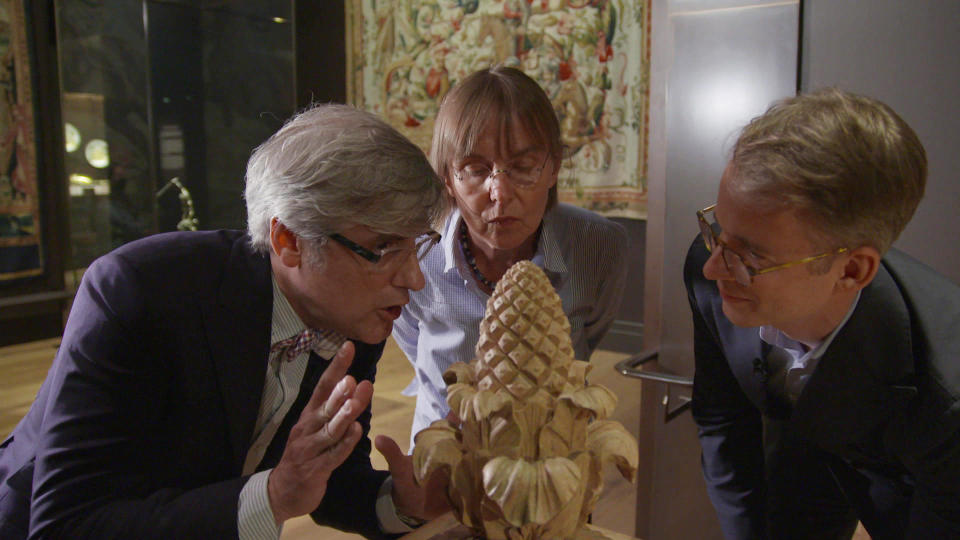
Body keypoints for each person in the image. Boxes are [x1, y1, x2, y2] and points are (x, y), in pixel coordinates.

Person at [0, 104, 450, 539]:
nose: (413, 278)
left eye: (417, 245)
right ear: (288, 239)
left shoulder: (353, 313)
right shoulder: (138, 292)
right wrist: (272, 496)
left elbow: (324, 480)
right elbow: (67, 524)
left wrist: (401, 503)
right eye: (386, 248)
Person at [685, 88, 960, 539]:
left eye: (750, 255)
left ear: (851, 270)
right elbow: (723, 418)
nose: (714, 266)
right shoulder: (710, 264)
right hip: (799, 444)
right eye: (718, 230)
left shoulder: (945, 397)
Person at [393, 65, 629, 447]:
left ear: (553, 167)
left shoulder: (598, 245)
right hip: (447, 452)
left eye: (522, 168)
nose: (499, 193)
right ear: (448, 177)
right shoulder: (416, 249)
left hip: (549, 457)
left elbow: (590, 333)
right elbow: (411, 338)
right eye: (474, 169)